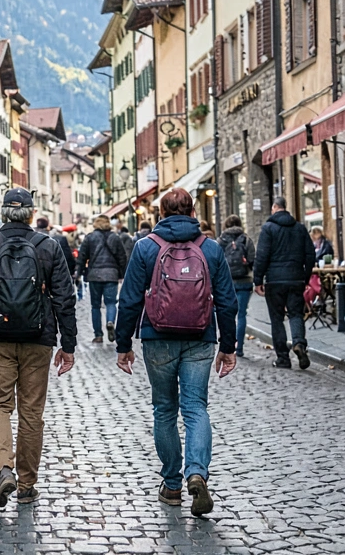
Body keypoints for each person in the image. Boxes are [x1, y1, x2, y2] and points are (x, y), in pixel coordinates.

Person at [115, 188, 237, 517]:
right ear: (193, 211)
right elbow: (227, 301)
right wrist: (228, 346)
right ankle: (196, 472)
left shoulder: (146, 247)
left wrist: (123, 344)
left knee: (164, 410)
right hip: (200, 335)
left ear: (161, 213)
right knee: (196, 407)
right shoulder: (210, 248)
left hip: (157, 336)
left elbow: (128, 300)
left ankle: (171, 485)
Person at [0, 188, 76, 508]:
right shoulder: (48, 246)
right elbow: (65, 298)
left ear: (1, 213)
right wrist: (68, 344)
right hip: (39, 339)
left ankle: (3, 469)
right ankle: (26, 484)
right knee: (31, 413)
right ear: (30, 213)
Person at [253, 197, 316, 370]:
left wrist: (258, 280)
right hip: (295, 278)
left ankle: (283, 358)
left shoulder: (268, 228)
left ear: (274, 207)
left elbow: (262, 256)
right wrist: (306, 275)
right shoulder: (300, 228)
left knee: (277, 319)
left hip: (274, 280)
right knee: (296, 314)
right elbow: (310, 254)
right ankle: (299, 344)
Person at [76, 214, 128, 343]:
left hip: (95, 274)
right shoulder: (115, 237)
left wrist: (78, 272)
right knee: (111, 302)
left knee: (95, 306)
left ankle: (98, 335)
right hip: (111, 274)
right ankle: (110, 321)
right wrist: (122, 274)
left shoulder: (90, 237)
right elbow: (122, 257)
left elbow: (82, 256)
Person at [217, 216, 255, 357]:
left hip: (227, 283)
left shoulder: (221, 241)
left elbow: (217, 262)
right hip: (245, 281)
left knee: (227, 314)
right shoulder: (246, 239)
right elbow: (252, 260)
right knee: (242, 315)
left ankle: (228, 344)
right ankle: (239, 348)